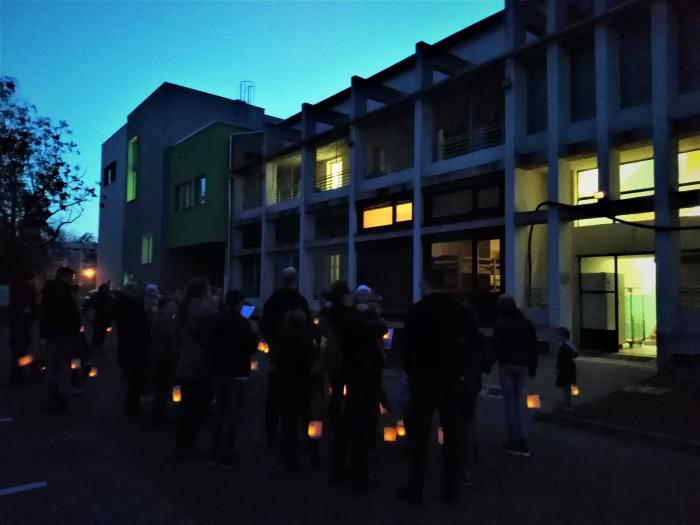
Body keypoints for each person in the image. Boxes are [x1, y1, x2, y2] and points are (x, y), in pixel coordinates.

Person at [398, 268, 474, 505]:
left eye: (421, 283)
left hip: (423, 379)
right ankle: (450, 489)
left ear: (428, 283)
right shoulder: (459, 311)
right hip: (451, 379)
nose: (420, 287)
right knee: (452, 434)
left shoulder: (418, 310)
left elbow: (407, 346)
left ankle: (415, 488)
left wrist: (412, 371)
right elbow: (473, 344)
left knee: (419, 435)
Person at [329, 280, 387, 492]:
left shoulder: (339, 315)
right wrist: (369, 312)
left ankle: (339, 467)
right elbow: (381, 328)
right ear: (345, 296)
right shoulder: (353, 317)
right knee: (361, 423)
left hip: (351, 371)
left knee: (348, 421)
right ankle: (359, 475)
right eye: (350, 293)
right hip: (363, 372)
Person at [260, 267, 310, 448]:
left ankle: (272, 436)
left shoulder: (272, 300)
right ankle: (300, 437)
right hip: (298, 356)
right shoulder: (300, 301)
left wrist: (272, 342)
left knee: (274, 397)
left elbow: (265, 325)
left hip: (278, 353)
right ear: (295, 280)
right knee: (299, 397)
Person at [210, 290, 258, 468]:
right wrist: (253, 332)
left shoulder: (216, 319)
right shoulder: (242, 322)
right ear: (238, 303)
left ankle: (215, 450)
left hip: (219, 369)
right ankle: (227, 451)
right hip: (238, 370)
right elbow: (251, 346)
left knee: (219, 409)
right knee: (233, 412)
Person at [492, 294, 538, 458]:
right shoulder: (526, 323)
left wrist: (487, 364)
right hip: (523, 365)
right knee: (519, 403)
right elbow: (533, 346)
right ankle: (523, 439)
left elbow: (496, 347)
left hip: (507, 365)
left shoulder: (501, 325)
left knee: (510, 404)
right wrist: (533, 367)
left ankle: (513, 440)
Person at [175, 278, 214, 458]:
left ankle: (182, 443)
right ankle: (188, 444)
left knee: (186, 405)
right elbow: (211, 334)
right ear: (203, 291)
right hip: (199, 363)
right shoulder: (202, 309)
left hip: (184, 361)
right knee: (196, 405)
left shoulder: (184, 307)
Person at [276, 307, 319, 473]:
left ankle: (291, 458)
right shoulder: (305, 339)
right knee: (308, 420)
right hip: (303, 385)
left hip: (285, 385)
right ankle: (313, 454)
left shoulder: (282, 339)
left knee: (289, 423)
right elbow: (312, 364)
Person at [39, 267, 81, 411]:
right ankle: (54, 399)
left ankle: (55, 397)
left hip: (59, 334)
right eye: (71, 277)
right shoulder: (59, 292)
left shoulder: (56, 290)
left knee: (57, 366)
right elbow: (59, 314)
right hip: (60, 334)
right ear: (64, 276)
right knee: (56, 367)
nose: (72, 279)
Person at [113, 283, 151, 416]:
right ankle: (132, 408)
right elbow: (137, 327)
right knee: (136, 380)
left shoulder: (125, 305)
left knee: (134, 381)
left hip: (130, 348)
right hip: (135, 348)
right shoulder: (130, 307)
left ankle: (132, 406)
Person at [150, 295, 178, 428]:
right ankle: (158, 418)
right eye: (173, 305)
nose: (175, 307)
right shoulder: (164, 319)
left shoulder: (161, 318)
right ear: (166, 306)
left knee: (162, 388)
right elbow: (170, 336)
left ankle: (159, 415)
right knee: (162, 388)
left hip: (161, 356)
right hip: (163, 357)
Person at [8, 274, 36, 386]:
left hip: (18, 328)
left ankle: (17, 376)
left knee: (18, 354)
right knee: (20, 354)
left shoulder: (16, 292)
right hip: (21, 329)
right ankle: (18, 377)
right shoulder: (24, 294)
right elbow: (27, 310)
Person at [555, 327, 577, 411]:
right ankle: (567, 402)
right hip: (570, 368)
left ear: (562, 335)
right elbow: (575, 355)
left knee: (565, 387)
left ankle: (568, 404)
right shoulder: (571, 344)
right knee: (567, 387)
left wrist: (558, 368)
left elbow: (561, 359)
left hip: (565, 370)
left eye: (558, 335)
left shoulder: (564, 346)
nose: (557, 337)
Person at [90, 283, 114, 351]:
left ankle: (98, 345)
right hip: (99, 317)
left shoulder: (107, 296)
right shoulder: (100, 296)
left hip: (104, 317)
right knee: (98, 332)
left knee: (102, 332)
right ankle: (96, 345)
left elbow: (111, 306)